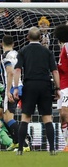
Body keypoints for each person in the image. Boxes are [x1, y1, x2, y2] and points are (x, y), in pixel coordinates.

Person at [13, 26, 60, 155]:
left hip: (30, 85)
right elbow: (55, 71)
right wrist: (57, 88)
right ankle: (52, 149)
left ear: (27, 37)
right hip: (45, 86)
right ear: (40, 37)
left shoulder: (23, 50)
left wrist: (16, 87)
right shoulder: (47, 52)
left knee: (25, 118)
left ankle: (21, 149)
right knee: (47, 118)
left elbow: (17, 70)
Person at [0, 35, 30, 151]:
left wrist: (8, 92)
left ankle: (24, 144)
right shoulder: (16, 54)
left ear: (1, 44)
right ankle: (16, 141)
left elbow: (10, 72)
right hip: (19, 86)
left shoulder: (5, 56)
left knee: (8, 118)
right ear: (13, 44)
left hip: (11, 88)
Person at [54, 24, 68, 152]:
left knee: (65, 113)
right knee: (62, 116)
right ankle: (66, 144)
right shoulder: (64, 46)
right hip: (62, 86)